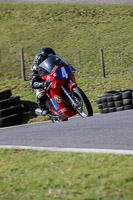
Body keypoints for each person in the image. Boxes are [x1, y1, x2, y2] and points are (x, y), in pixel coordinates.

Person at [29, 47, 56, 116]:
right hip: (37, 81)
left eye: (51, 58)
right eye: (47, 59)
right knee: (41, 95)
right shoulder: (35, 67)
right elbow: (33, 84)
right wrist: (43, 84)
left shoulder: (53, 59)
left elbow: (60, 63)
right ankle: (43, 108)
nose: (49, 60)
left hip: (47, 77)